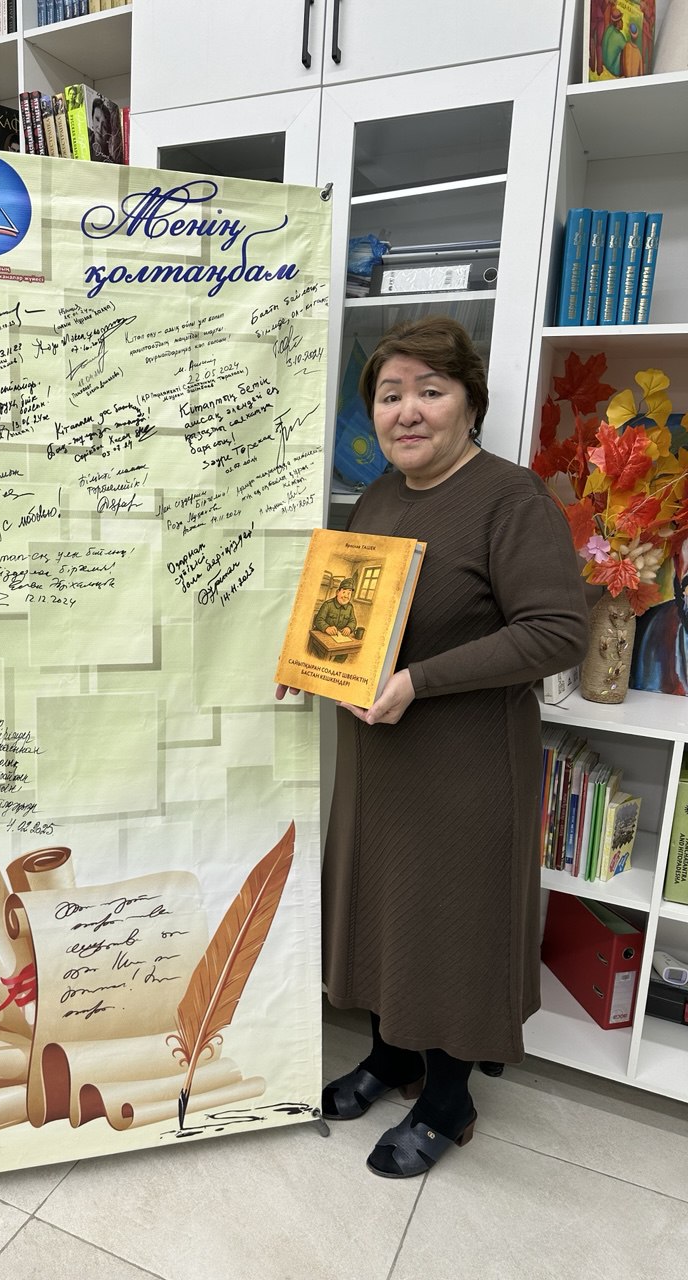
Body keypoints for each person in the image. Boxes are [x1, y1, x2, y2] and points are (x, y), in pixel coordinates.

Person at [277, 316, 589, 1178]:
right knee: (384, 908)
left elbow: (557, 631)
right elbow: (355, 613)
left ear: (469, 404)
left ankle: (449, 1100)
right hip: (380, 760)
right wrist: (308, 660)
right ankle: (391, 1059)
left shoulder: (510, 499)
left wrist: (420, 681)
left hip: (465, 763)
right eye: (389, 395)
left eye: (430, 390)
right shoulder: (378, 497)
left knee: (449, 923)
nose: (406, 411)